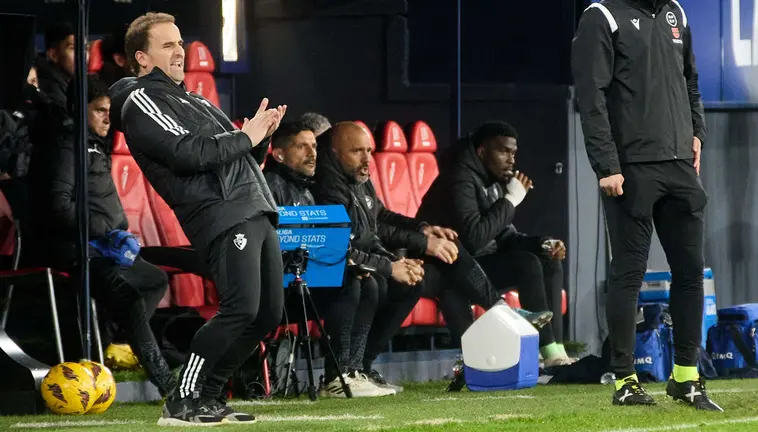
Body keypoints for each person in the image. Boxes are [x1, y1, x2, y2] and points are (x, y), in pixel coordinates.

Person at [111, 12, 287, 425]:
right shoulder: (142, 99)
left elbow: (239, 155)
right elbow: (188, 153)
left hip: (254, 205)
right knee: (240, 308)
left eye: (180, 42)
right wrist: (246, 136)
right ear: (141, 56)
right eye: (167, 45)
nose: (179, 51)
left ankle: (208, 396)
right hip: (221, 213)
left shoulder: (195, 99)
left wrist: (260, 136)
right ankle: (180, 398)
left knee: (266, 314)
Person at [312, 122, 551, 391]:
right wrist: (409, 253)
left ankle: (361, 369)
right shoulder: (328, 188)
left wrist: (422, 228)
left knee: (441, 265)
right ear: (333, 153)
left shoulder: (359, 180)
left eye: (369, 151)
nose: (368, 159)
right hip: (348, 270)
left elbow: (380, 218)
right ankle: (345, 374)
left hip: (374, 263)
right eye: (357, 151)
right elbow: (355, 241)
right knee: (381, 280)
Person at [571, 0, 720, 410]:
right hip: (630, 168)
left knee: (690, 272)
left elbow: (690, 80)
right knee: (628, 275)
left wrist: (698, 134)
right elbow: (591, 95)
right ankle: (625, 380)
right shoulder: (600, 16)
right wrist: (606, 164)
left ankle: (686, 377)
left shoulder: (676, 13)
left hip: (678, 166)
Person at [24, 75, 175, 396]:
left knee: (155, 279)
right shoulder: (68, 146)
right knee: (132, 299)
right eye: (100, 110)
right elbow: (58, 207)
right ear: (81, 111)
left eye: (109, 110)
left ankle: (115, 338)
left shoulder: (93, 144)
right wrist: (104, 233)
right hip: (82, 251)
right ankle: (167, 384)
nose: (108, 117)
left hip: (106, 247)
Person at [418, 121, 575, 367]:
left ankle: (556, 351)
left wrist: (542, 243)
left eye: (513, 153)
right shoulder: (460, 179)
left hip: (478, 262)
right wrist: (511, 200)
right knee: (526, 264)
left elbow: (504, 236)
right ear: (481, 152)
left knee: (547, 258)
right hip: (453, 269)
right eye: (503, 151)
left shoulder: (491, 181)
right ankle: (547, 352)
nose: (511, 160)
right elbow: (474, 238)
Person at [263, 121, 392, 397]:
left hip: (303, 285)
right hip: (278, 291)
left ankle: (351, 371)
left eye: (314, 146)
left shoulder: (306, 190)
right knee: (348, 282)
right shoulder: (270, 187)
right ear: (279, 155)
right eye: (302, 146)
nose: (312, 153)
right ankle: (337, 377)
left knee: (366, 281)